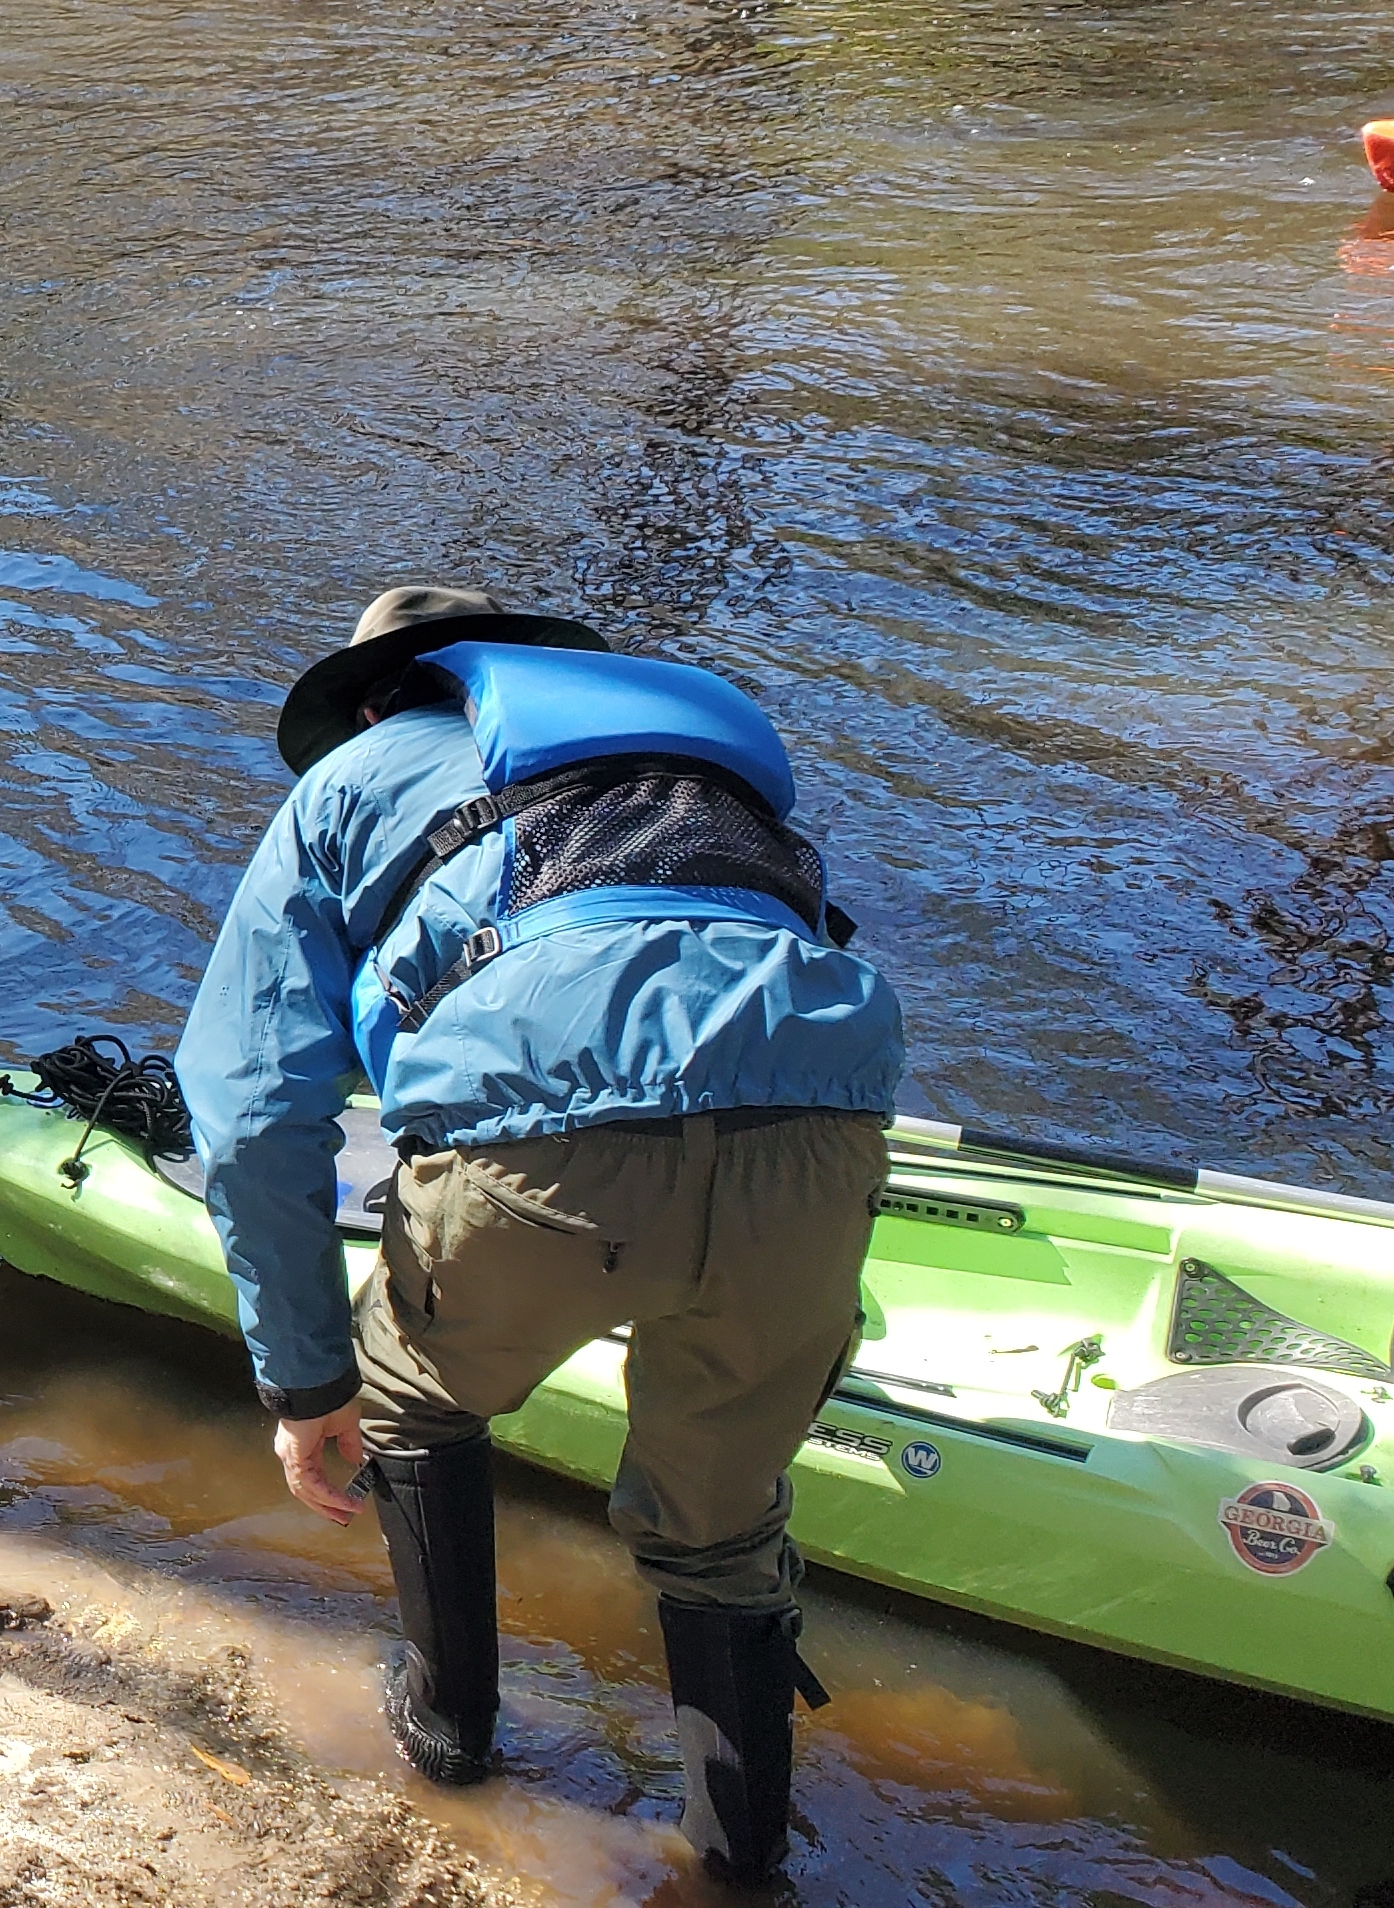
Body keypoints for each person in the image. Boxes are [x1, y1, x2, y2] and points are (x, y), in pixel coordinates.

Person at [175, 587, 903, 1885]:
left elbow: (245, 1109)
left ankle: (450, 1735)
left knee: (413, 1396)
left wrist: (304, 1386)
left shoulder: (354, 778)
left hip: (541, 1146)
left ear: (373, 699)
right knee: (723, 1523)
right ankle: (739, 1865)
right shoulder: (698, 775)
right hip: (826, 1129)